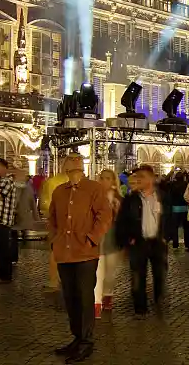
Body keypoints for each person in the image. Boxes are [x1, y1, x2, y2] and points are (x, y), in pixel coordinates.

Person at [47, 155, 111, 364]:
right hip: (65, 253)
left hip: (85, 253)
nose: (74, 169)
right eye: (70, 166)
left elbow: (104, 216)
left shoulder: (94, 189)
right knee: (70, 297)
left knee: (84, 297)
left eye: (77, 166)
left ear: (82, 169)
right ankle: (77, 336)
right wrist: (55, 238)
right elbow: (52, 218)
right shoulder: (59, 192)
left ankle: (86, 341)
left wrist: (91, 238)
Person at [116, 165, 169, 317]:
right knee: (138, 276)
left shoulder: (162, 197)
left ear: (152, 178)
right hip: (138, 242)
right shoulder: (131, 199)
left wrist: (166, 236)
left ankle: (159, 301)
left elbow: (169, 217)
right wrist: (128, 239)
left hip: (158, 242)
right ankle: (140, 308)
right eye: (138, 176)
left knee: (160, 274)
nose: (139, 179)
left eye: (143, 176)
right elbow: (122, 221)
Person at [94, 169, 122, 317]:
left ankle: (108, 295)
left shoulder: (118, 199)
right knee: (98, 272)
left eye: (108, 178)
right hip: (98, 239)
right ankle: (96, 302)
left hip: (113, 238)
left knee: (110, 273)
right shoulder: (94, 196)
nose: (104, 181)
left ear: (113, 181)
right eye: (102, 178)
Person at [40, 167, 69, 295]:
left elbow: (46, 203)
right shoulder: (54, 183)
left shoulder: (52, 182)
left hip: (59, 223)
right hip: (63, 224)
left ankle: (55, 280)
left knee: (55, 251)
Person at [12, 171, 37, 264]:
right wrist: (36, 216)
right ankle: (23, 240)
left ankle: (13, 257)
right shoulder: (28, 187)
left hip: (17, 213)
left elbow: (16, 200)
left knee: (14, 233)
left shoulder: (15, 186)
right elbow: (33, 203)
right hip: (22, 213)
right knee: (16, 232)